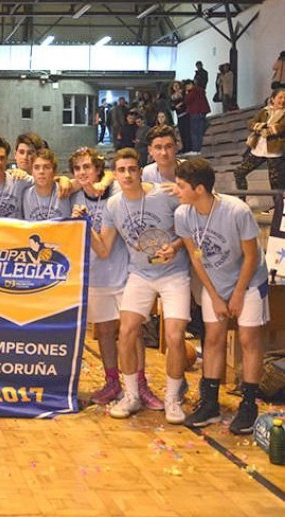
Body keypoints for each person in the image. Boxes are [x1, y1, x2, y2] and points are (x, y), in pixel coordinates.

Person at [92, 148, 190, 423]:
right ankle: (131, 395)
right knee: (126, 331)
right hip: (141, 274)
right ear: (116, 174)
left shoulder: (164, 194)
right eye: (121, 170)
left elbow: (190, 227)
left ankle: (172, 398)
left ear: (139, 170)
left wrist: (175, 245)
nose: (127, 175)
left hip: (174, 272)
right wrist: (84, 226)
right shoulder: (113, 205)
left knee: (174, 336)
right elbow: (103, 248)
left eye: (132, 169)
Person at [174, 158, 269, 434]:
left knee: (249, 338)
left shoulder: (236, 211)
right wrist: (214, 296)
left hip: (250, 280)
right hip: (215, 282)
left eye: (181, 186)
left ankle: (249, 404)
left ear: (200, 189)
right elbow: (195, 258)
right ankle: (210, 403)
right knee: (212, 337)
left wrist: (238, 293)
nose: (176, 191)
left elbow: (251, 256)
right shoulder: (183, 214)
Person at [69, 148, 132, 405]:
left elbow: (104, 248)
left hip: (122, 271)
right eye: (78, 168)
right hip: (94, 275)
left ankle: (137, 384)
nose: (83, 173)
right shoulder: (73, 196)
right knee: (104, 331)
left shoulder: (114, 191)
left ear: (98, 169)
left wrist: (107, 180)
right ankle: (112, 382)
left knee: (131, 332)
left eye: (87, 167)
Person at [233, 88, 285, 208]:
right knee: (239, 172)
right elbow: (251, 124)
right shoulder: (264, 111)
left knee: (275, 183)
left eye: (284, 98)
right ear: (273, 98)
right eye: (280, 97)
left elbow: (281, 128)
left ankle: (278, 208)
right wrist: (262, 126)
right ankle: (242, 202)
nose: (282, 100)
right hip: (258, 149)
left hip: (274, 151)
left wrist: (266, 129)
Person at [22, 149, 71, 221]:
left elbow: (82, 183)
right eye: (36, 167)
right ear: (31, 171)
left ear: (54, 171)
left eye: (47, 167)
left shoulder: (65, 189)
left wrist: (64, 179)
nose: (41, 171)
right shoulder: (24, 194)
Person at [183, 79, 211, 154]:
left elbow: (187, 101)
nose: (186, 88)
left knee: (194, 132)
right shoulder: (200, 90)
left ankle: (195, 149)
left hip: (195, 112)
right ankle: (198, 149)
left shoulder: (193, 91)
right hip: (202, 112)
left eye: (186, 86)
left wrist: (186, 94)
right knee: (199, 132)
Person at [171, 81, 191, 153]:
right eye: (174, 86)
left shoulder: (183, 93)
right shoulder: (172, 96)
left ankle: (189, 147)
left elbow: (186, 101)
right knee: (182, 133)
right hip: (179, 116)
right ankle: (184, 147)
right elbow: (171, 107)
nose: (176, 87)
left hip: (185, 114)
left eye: (177, 85)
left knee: (187, 132)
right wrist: (175, 106)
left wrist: (180, 104)